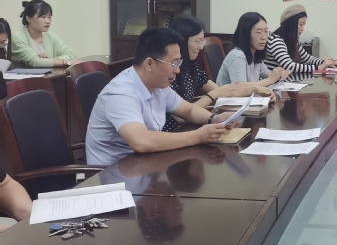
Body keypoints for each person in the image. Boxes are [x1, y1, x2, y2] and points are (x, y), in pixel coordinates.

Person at [85, 27, 236, 167]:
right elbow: (141, 141)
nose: (177, 70)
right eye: (173, 63)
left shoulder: (158, 85)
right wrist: (198, 136)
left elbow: (188, 110)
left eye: (179, 62)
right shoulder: (121, 94)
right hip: (114, 174)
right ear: (149, 64)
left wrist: (214, 119)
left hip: (145, 164)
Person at [162, 15, 278, 132]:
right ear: (181, 41)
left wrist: (255, 89)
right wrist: (213, 95)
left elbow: (224, 91)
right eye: (197, 41)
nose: (201, 47)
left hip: (189, 127)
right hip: (173, 132)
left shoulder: (192, 67)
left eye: (202, 41)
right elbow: (180, 116)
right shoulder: (169, 71)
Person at [265, 4, 337, 76]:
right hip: (273, 83)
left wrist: (327, 63)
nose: (303, 29)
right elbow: (290, 66)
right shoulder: (275, 40)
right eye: (300, 25)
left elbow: (308, 59)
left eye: (304, 25)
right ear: (290, 24)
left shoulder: (292, 41)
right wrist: (319, 68)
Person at [217, 12, 290, 87]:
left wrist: (278, 74)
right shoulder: (237, 56)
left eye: (266, 32)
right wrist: (271, 80)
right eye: (258, 32)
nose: (263, 37)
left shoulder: (255, 53)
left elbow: (267, 75)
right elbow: (240, 87)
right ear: (246, 34)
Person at [11, 0, 77, 68]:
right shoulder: (16, 37)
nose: (48, 21)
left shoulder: (50, 35)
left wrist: (49, 61)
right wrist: (67, 62)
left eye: (49, 17)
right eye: (43, 17)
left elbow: (71, 54)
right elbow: (35, 62)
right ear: (29, 18)